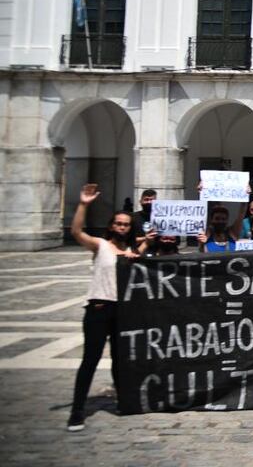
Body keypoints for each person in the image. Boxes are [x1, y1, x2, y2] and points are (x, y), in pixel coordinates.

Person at [67, 184, 139, 432]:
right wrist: (84, 204)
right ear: (111, 226)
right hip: (99, 308)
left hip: (123, 312)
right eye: (118, 223)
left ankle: (124, 402)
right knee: (90, 359)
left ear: (130, 228)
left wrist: (137, 257)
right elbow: (76, 232)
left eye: (126, 224)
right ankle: (77, 411)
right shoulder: (100, 245)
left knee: (120, 361)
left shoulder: (131, 252)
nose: (122, 227)